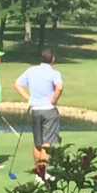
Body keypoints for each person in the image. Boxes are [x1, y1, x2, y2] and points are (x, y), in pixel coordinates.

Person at [14, 48, 63, 183]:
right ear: (53, 59)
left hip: (35, 110)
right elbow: (59, 87)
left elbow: (17, 84)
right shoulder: (55, 73)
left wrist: (28, 99)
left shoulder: (31, 71)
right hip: (48, 110)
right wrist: (54, 99)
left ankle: (38, 171)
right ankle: (42, 173)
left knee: (37, 143)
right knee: (47, 144)